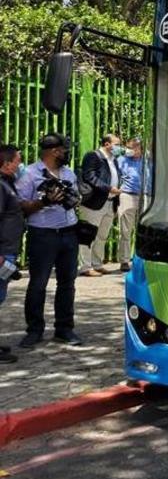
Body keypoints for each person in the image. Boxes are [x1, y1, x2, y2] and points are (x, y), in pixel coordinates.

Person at [16, 133, 83, 347]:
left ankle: (64, 329)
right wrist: (44, 201)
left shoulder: (69, 173)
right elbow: (21, 205)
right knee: (38, 284)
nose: (66, 153)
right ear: (53, 151)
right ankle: (34, 330)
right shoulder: (29, 174)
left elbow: (75, 198)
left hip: (68, 233)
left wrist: (74, 200)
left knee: (67, 283)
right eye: (63, 150)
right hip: (42, 235)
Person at [78, 134, 123, 277]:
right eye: (116, 144)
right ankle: (85, 266)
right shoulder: (93, 156)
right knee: (86, 235)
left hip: (110, 203)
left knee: (101, 236)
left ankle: (97, 264)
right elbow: (90, 176)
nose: (119, 148)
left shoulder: (113, 160)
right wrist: (109, 188)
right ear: (107, 144)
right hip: (94, 202)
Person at [0, 145, 27, 363]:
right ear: (7, 164)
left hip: (8, 250)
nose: (20, 165)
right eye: (17, 161)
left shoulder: (7, 184)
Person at [116, 137, 142, 272]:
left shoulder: (148, 161)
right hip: (127, 195)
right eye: (128, 147)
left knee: (143, 231)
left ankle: (140, 259)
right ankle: (124, 260)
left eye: (133, 147)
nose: (130, 150)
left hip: (145, 197)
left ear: (140, 148)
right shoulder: (122, 160)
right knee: (125, 230)